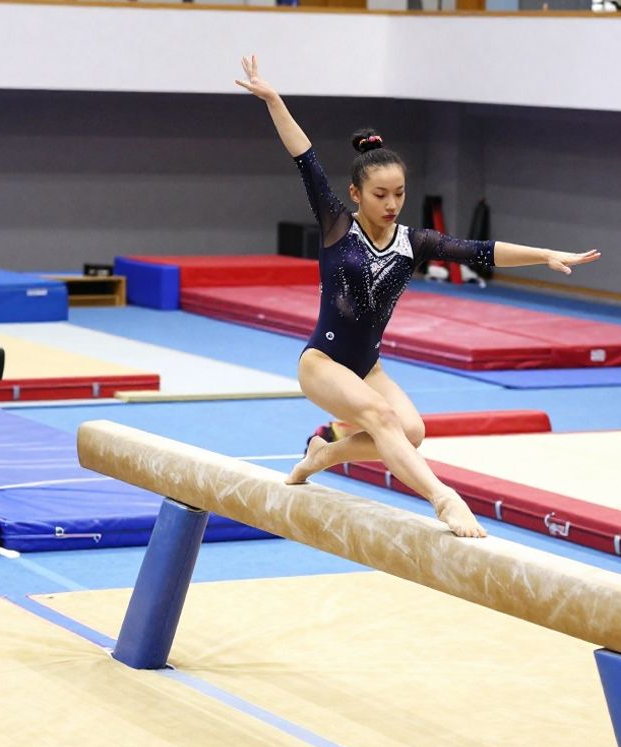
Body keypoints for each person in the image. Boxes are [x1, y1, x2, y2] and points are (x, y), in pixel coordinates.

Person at [235, 55, 601, 538]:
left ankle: (324, 452)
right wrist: (274, 100)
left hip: (369, 368)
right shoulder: (335, 226)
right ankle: (443, 499)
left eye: (399, 194)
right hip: (323, 364)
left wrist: (545, 253)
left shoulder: (413, 243)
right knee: (383, 418)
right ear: (356, 193)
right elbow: (305, 157)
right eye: (380, 194)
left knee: (411, 433)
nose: (391, 204)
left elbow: (482, 251)